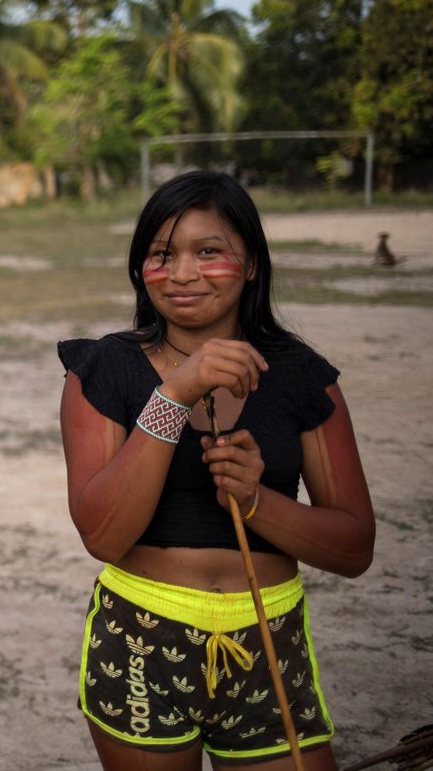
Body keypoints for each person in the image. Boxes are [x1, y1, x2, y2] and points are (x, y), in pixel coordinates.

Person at [57, 170, 374, 769]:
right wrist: (173, 396)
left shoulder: (304, 378)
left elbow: (355, 549)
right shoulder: (103, 371)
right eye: (161, 255)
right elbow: (104, 536)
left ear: (251, 264)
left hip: (267, 635)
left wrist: (256, 502)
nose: (181, 275)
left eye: (208, 252)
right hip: (140, 637)